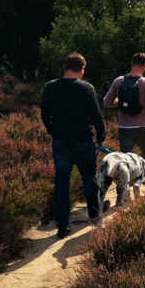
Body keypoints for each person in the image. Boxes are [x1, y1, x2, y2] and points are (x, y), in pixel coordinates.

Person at [41, 52, 106, 238]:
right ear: (82, 69)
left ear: (65, 67)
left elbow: (45, 115)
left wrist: (52, 131)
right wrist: (101, 136)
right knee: (90, 180)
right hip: (84, 141)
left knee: (62, 184)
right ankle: (94, 216)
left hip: (61, 142)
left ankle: (63, 226)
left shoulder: (50, 87)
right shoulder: (86, 88)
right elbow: (96, 116)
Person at [103, 52, 145, 168]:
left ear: (132, 63)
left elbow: (106, 102)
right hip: (144, 126)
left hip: (125, 127)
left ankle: (127, 184)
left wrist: (120, 103)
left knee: (126, 160)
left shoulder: (118, 81)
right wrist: (144, 104)